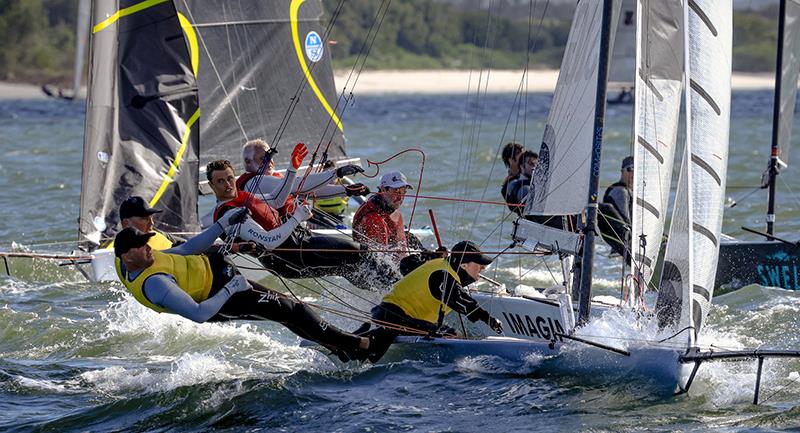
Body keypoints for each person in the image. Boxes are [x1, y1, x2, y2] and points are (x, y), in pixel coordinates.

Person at [113, 210, 370, 361]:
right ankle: (360, 345)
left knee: (287, 312)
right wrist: (232, 288)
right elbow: (199, 314)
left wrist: (223, 223)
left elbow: (188, 248)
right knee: (294, 310)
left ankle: (336, 346)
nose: (149, 247)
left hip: (220, 274)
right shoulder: (156, 284)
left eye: (147, 242)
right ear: (127, 256)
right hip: (222, 295)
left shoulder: (136, 259)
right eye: (142, 245)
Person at [207, 153, 393, 292]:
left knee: (351, 268)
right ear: (211, 185)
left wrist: (292, 168)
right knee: (362, 253)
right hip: (292, 256)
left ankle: (389, 297)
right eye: (221, 181)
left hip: (299, 245)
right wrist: (297, 217)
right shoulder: (230, 212)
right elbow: (269, 242)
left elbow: (278, 198)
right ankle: (398, 291)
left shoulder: (244, 196)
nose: (228, 184)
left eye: (230, 178)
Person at [355, 241, 504, 362]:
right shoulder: (443, 277)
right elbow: (463, 302)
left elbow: (406, 264)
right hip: (396, 317)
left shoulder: (441, 264)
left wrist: (428, 256)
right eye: (478, 263)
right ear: (463, 265)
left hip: (389, 314)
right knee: (448, 335)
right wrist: (489, 319)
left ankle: (364, 335)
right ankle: (357, 341)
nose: (483, 267)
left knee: (453, 333)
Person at [237, 139, 368, 220]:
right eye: (263, 158)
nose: (269, 161)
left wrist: (346, 191)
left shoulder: (276, 179)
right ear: (248, 162)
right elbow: (298, 185)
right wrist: (337, 173)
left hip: (289, 234)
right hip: (276, 245)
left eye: (270, 156)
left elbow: (311, 192)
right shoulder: (254, 182)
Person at [107, 196, 182, 250]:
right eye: (145, 218)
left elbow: (184, 245)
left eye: (152, 217)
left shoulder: (156, 233)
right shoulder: (125, 251)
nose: (152, 223)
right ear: (126, 223)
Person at [599, 156, 633, 258]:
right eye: (629, 169)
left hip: (620, 248)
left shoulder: (629, 191)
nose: (633, 173)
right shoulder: (620, 191)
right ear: (622, 171)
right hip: (623, 251)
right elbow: (625, 220)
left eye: (636, 170)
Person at [309, 160, 349, 229]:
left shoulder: (343, 183)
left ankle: (336, 227)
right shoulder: (316, 184)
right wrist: (309, 219)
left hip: (338, 217)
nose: (330, 177)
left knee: (341, 226)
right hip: (320, 216)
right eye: (327, 173)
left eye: (332, 172)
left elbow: (357, 194)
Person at [500, 142, 524, 212]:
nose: (523, 155)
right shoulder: (507, 186)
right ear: (511, 160)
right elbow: (515, 209)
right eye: (519, 153)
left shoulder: (530, 171)